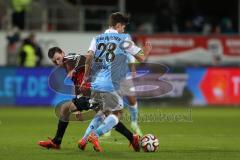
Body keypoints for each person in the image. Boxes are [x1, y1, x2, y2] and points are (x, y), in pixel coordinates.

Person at [38, 47, 141, 151]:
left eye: (58, 58)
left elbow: (86, 57)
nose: (57, 62)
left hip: (94, 91)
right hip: (86, 94)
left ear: (63, 53)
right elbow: (76, 84)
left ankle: (131, 138)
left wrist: (71, 70)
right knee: (66, 109)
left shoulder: (69, 58)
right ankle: (57, 142)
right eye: (54, 61)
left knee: (108, 116)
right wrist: (77, 107)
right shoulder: (68, 65)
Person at [80, 12, 152, 152]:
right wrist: (147, 50)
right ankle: (95, 136)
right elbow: (141, 58)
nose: (123, 30)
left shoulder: (97, 38)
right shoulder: (123, 38)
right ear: (118, 25)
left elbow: (88, 57)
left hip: (95, 83)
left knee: (101, 113)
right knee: (117, 113)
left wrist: (85, 78)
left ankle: (83, 140)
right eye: (123, 27)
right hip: (111, 83)